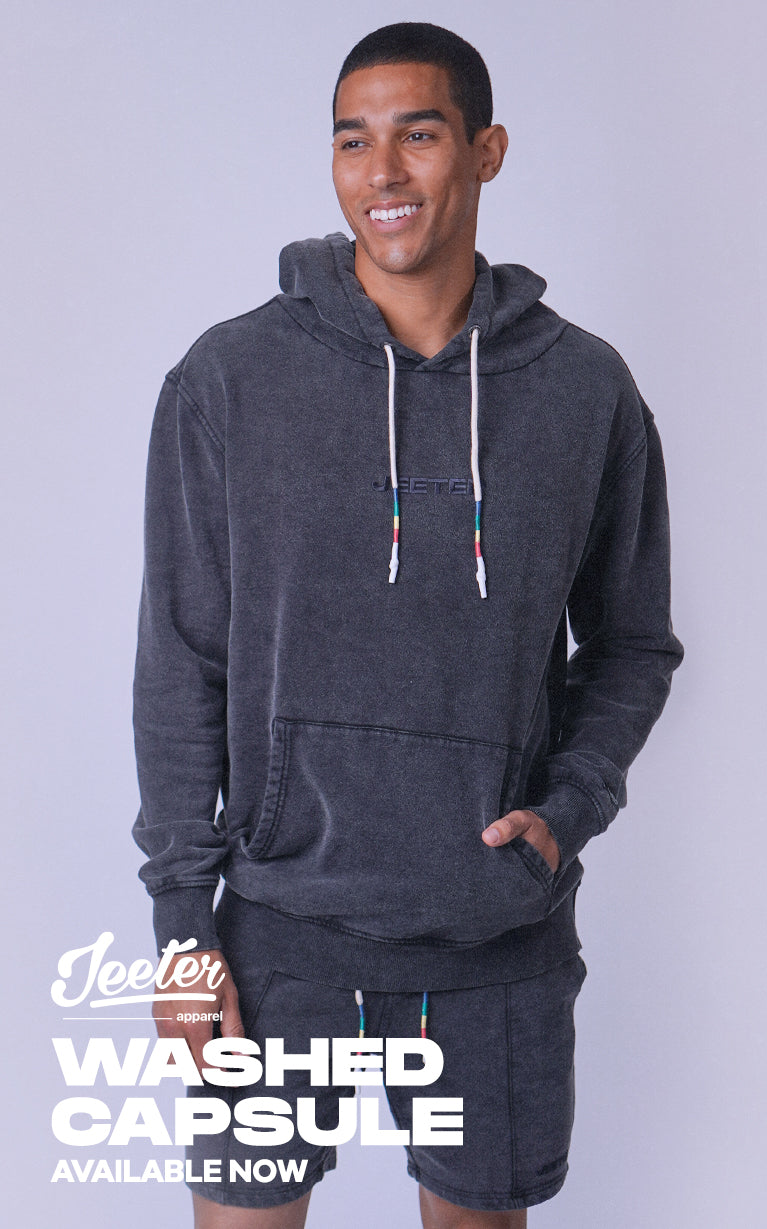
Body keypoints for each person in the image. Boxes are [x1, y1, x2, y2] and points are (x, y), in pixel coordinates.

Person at [133, 21, 683, 1229]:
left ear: (486, 151)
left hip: (496, 938)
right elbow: (182, 660)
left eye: (418, 134)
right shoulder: (228, 381)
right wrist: (181, 923)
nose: (381, 171)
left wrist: (570, 806)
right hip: (278, 939)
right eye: (353, 141)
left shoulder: (585, 391)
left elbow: (633, 642)